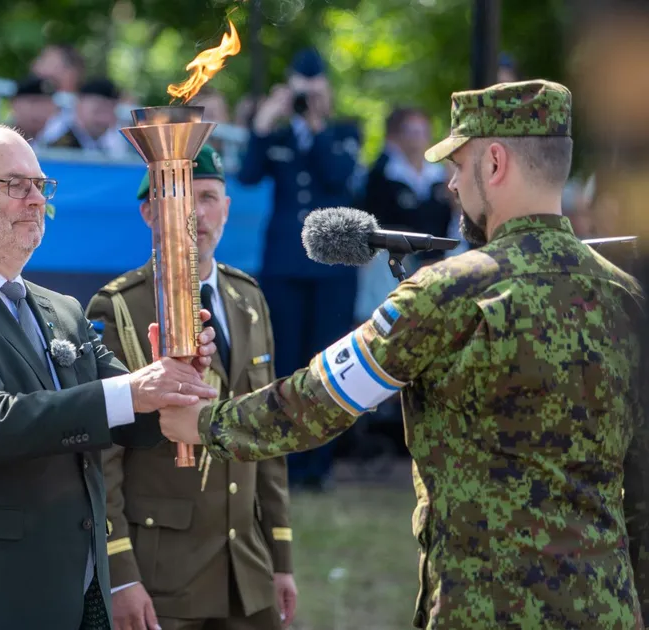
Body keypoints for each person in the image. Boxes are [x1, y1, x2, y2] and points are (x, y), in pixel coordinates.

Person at [156, 80, 649, 628]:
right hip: (609, 608)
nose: (452, 183)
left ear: (494, 162)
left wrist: (206, 423)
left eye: (458, 164)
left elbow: (323, 398)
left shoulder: (451, 291)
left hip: (486, 610)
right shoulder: (627, 298)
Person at [0, 124, 222, 630]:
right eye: (17, 185)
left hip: (75, 584)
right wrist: (137, 387)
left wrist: (172, 378)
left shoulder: (60, 308)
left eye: (41, 185)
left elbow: (133, 421)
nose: (37, 200)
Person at [86, 145, 298, 630]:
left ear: (226, 208)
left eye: (208, 198)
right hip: (162, 573)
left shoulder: (249, 298)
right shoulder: (118, 307)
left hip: (246, 567)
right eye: (180, 199)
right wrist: (120, 575)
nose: (196, 214)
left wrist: (281, 556)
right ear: (148, 213)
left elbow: (268, 432)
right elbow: (104, 452)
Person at [236, 48, 362, 491]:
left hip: (333, 268)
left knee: (328, 362)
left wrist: (317, 125)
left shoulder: (344, 131)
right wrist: (262, 124)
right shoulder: (277, 136)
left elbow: (340, 177)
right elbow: (248, 175)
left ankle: (318, 465)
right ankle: (285, 461)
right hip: (285, 265)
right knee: (285, 360)